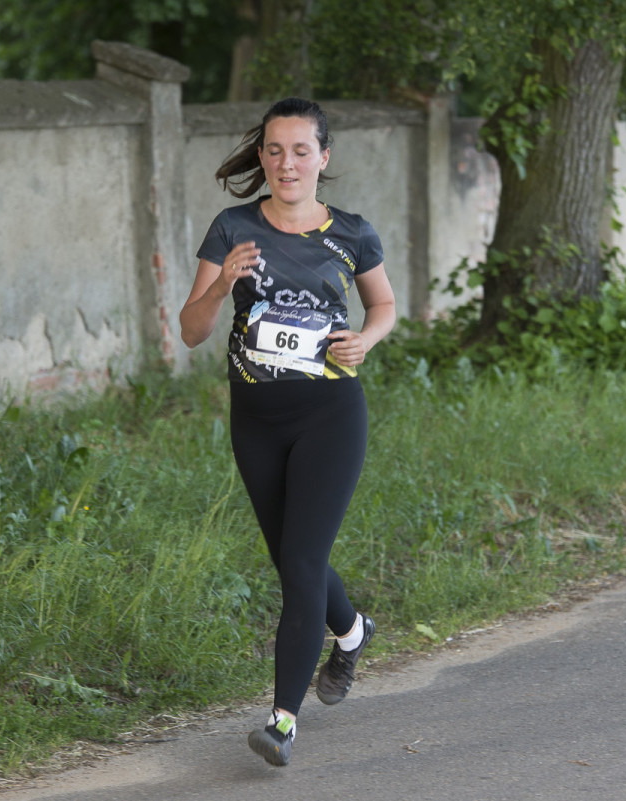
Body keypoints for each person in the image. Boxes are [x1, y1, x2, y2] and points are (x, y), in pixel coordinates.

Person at [179, 97, 396, 767]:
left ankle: (281, 720)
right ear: (263, 156)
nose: (286, 163)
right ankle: (352, 630)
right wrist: (221, 289)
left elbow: (383, 304)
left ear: (323, 158)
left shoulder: (351, 234)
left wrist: (367, 338)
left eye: (301, 150)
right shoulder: (233, 228)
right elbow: (190, 329)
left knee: (301, 564)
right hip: (258, 419)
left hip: (331, 413)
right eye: (275, 150)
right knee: (292, 558)